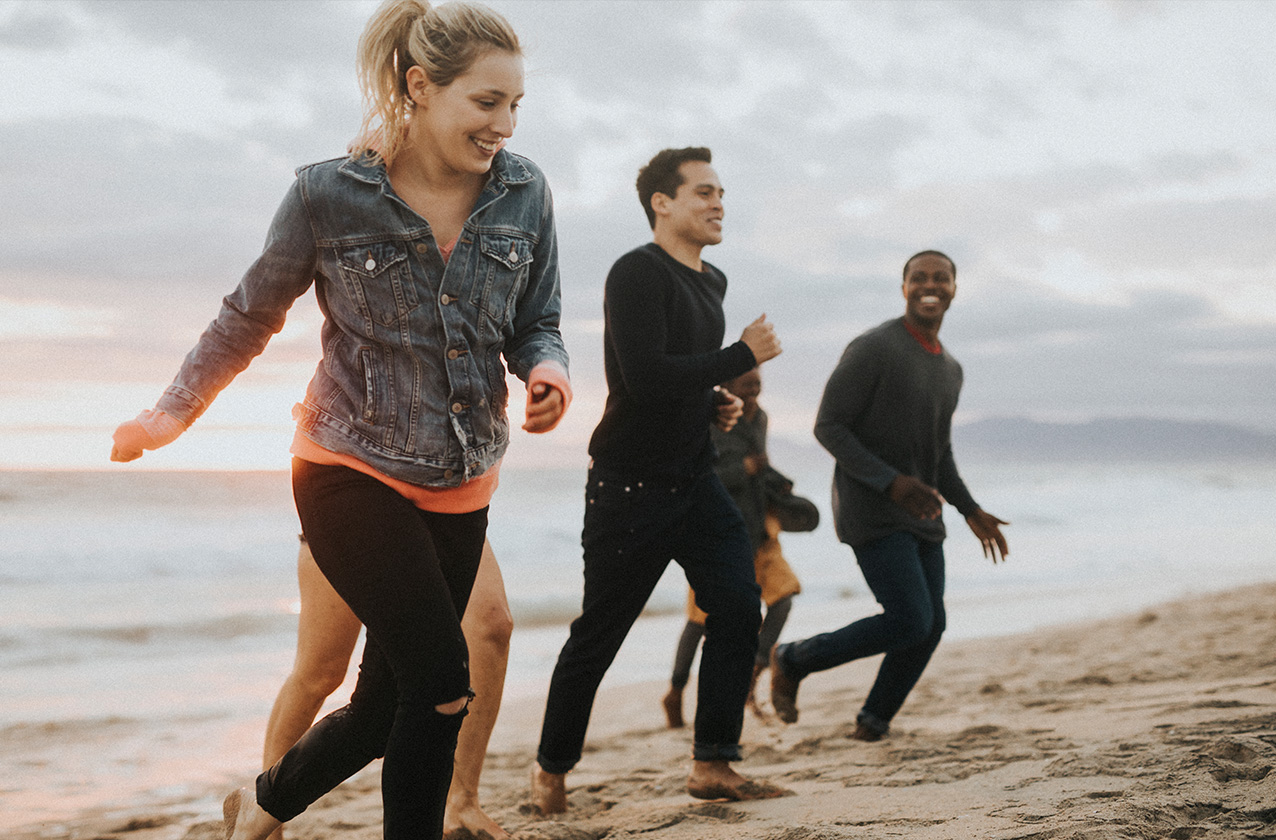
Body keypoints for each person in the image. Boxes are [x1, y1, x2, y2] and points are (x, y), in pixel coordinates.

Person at [109, 2, 570, 838]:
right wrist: (170, 415)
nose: (503, 124)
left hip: (464, 480)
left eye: (515, 106)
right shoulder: (328, 193)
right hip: (345, 464)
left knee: (385, 702)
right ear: (421, 87)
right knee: (442, 680)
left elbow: (538, 319)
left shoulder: (525, 191)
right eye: (486, 102)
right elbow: (248, 316)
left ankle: (263, 804)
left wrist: (547, 373)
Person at [530, 147, 788, 814]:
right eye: (703, 192)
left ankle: (713, 763)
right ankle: (551, 772)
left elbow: (683, 374)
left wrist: (714, 401)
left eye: (721, 192)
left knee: (737, 606)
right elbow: (643, 377)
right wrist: (740, 358)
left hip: (695, 480)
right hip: (629, 486)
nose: (717, 203)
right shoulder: (635, 274)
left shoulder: (714, 281)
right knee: (599, 635)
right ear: (662, 204)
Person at [769, 250, 1009, 742]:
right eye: (918, 277)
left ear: (954, 289)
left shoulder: (952, 370)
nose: (930, 285)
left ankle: (873, 720)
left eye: (941, 278)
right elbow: (828, 426)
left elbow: (938, 452)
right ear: (903, 288)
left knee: (931, 624)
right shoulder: (874, 347)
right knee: (909, 618)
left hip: (922, 510)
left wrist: (970, 509)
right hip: (872, 507)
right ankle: (793, 658)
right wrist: (891, 482)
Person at [262, 536, 513, 840]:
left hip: (445, 502)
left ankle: (462, 804)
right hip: (360, 504)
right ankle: (265, 822)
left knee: (492, 622)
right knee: (321, 672)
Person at [661, 367, 804, 728]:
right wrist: (745, 468)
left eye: (757, 383)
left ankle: (753, 672)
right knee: (699, 621)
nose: (754, 390)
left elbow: (761, 465)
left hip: (760, 531)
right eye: (746, 384)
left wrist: (777, 481)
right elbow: (698, 475)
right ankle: (675, 692)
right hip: (717, 536)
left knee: (783, 597)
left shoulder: (762, 418)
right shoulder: (709, 420)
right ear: (725, 386)